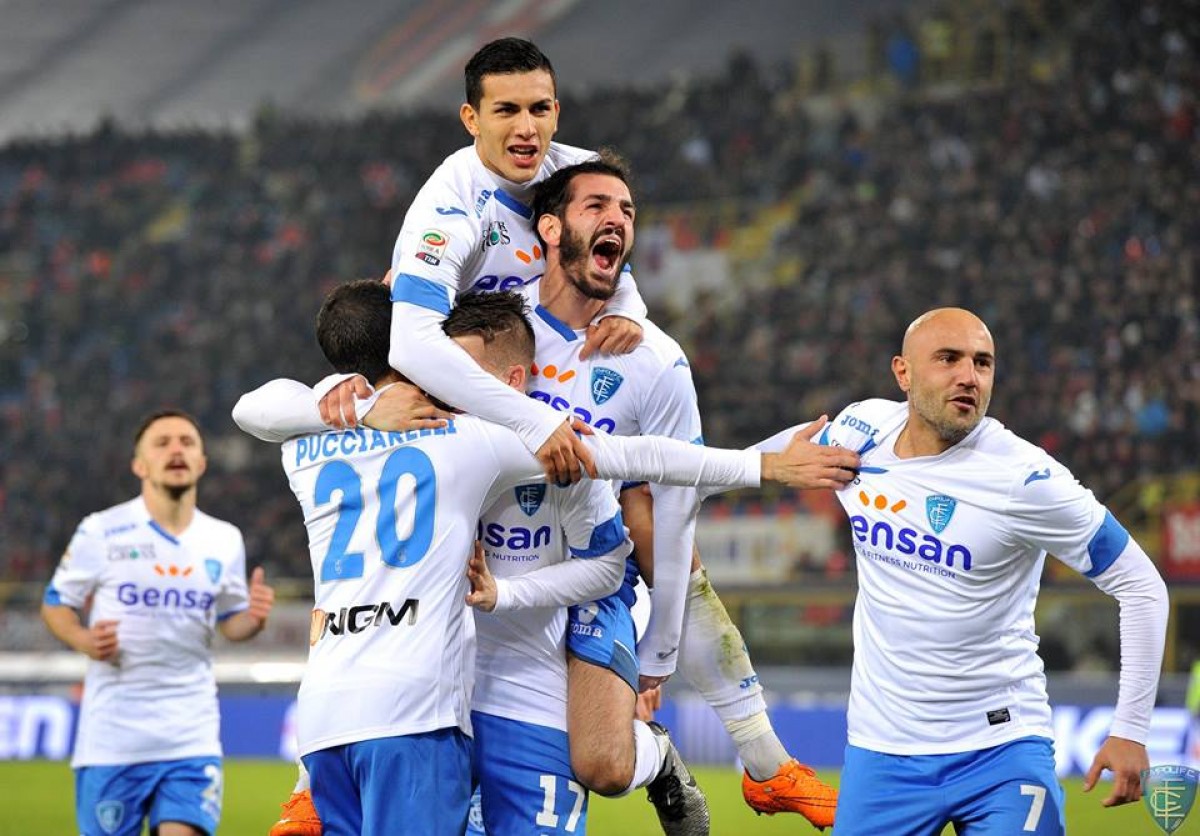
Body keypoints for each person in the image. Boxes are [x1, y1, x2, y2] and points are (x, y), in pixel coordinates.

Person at [233, 284, 857, 835]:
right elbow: (643, 456)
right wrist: (763, 465)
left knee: (605, 762)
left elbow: (254, 407)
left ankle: (679, 754)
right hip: (419, 708)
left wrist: (348, 404)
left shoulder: (307, 436)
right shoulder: (470, 440)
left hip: (334, 712)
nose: (455, 387)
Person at [756, 308, 1169, 835]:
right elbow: (763, 457)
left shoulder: (1026, 479)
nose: (968, 377)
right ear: (903, 373)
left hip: (1002, 752)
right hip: (882, 754)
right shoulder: (861, 430)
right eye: (948, 359)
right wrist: (735, 474)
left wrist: (1130, 728)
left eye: (982, 363)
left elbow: (1141, 585)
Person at [524, 155, 842, 827]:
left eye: (627, 211)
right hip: (500, 566)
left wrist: (659, 652)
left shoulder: (655, 360)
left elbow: (677, 495)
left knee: (604, 767)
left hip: (591, 575)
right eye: (597, 206)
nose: (617, 219)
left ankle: (754, 760)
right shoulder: (494, 329)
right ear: (551, 228)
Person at [320, 37, 647, 487]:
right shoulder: (448, 209)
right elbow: (412, 345)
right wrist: (531, 419)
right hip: (472, 405)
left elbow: (611, 253)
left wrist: (627, 306)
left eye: (538, 109)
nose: (527, 128)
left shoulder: (581, 174)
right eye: (506, 110)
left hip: (554, 379)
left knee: (637, 469)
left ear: (556, 112)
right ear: (471, 119)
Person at [41, 409, 275, 836]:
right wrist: (82, 638)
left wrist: (254, 620)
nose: (176, 450)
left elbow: (230, 623)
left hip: (191, 734)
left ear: (202, 462)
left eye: (187, 442)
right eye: (162, 443)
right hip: (113, 739)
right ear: (139, 465)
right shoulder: (102, 531)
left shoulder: (224, 539)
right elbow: (56, 602)